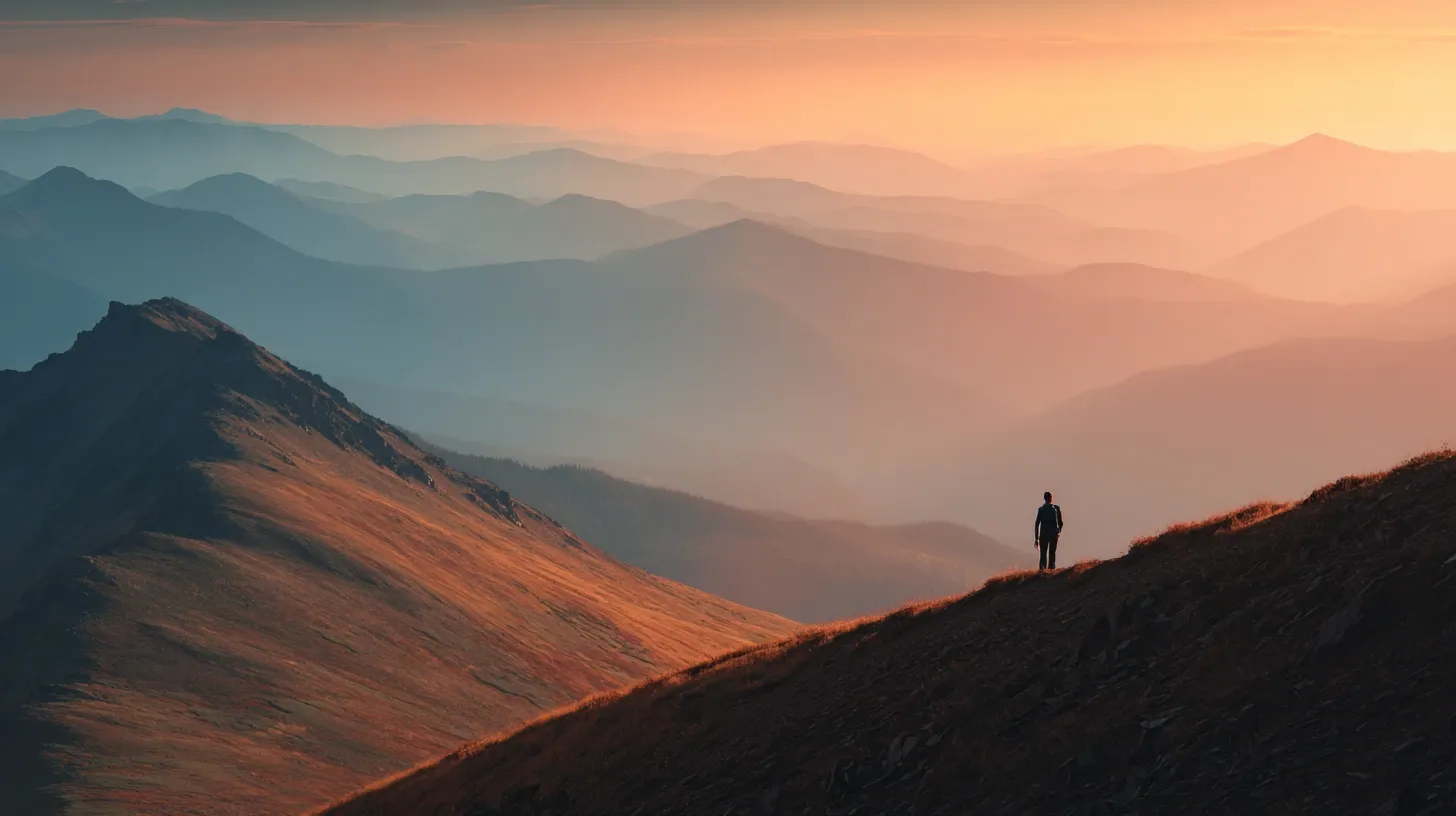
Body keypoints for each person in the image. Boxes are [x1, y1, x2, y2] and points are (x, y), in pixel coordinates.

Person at [1034, 491, 1063, 571]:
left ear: (1044, 498)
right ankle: (1051, 570)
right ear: (1051, 498)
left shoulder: (1041, 510)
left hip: (1043, 534)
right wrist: (1058, 531)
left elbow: (1037, 524)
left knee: (1043, 554)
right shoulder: (1056, 508)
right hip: (1053, 534)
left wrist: (1036, 538)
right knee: (1052, 552)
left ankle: (1042, 570)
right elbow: (1061, 522)